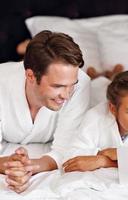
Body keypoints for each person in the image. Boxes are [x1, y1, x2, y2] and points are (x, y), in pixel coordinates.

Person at [0, 30, 90, 193]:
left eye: (72, 84)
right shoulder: (1, 83)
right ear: (31, 76)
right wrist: (11, 166)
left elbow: (66, 148)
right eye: (58, 86)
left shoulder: (81, 85)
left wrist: (31, 167)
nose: (67, 95)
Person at [63, 71, 128, 172]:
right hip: (97, 92)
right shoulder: (95, 117)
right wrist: (102, 154)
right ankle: (99, 75)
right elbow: (72, 155)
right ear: (113, 109)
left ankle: (110, 73)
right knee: (99, 83)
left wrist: (105, 160)